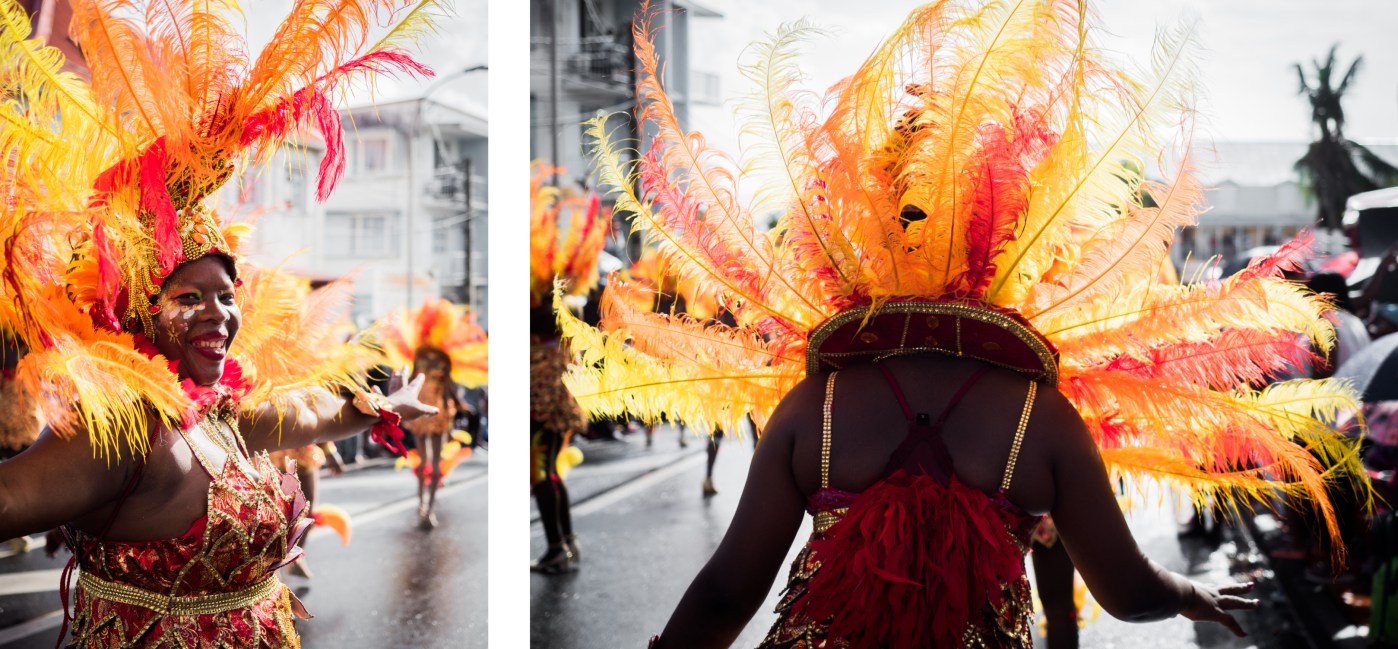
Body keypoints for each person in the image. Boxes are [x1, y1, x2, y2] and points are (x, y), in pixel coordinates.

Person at [557, 1, 1369, 646]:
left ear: (862, 219)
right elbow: (1125, 592)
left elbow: (731, 589)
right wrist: (1192, 595)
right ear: (1009, 225)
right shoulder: (1040, 420)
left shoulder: (817, 410)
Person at [0, 1, 439, 645]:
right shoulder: (119, 431)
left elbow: (312, 414)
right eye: (190, 297)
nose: (218, 313)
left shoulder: (221, 413)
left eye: (227, 295)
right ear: (143, 311)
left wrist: (381, 405)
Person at [530, 161, 607, 573]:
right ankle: (567, 541)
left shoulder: (539, 311)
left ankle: (558, 547)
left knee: (543, 473)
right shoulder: (562, 310)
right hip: (559, 401)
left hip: (541, 404)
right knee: (550, 472)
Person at [381, 298, 489, 529]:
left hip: (429, 410)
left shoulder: (422, 354)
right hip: (433, 410)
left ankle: (425, 505)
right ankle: (426, 506)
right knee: (432, 463)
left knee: (427, 463)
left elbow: (419, 382)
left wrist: (457, 403)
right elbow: (444, 385)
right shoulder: (437, 356)